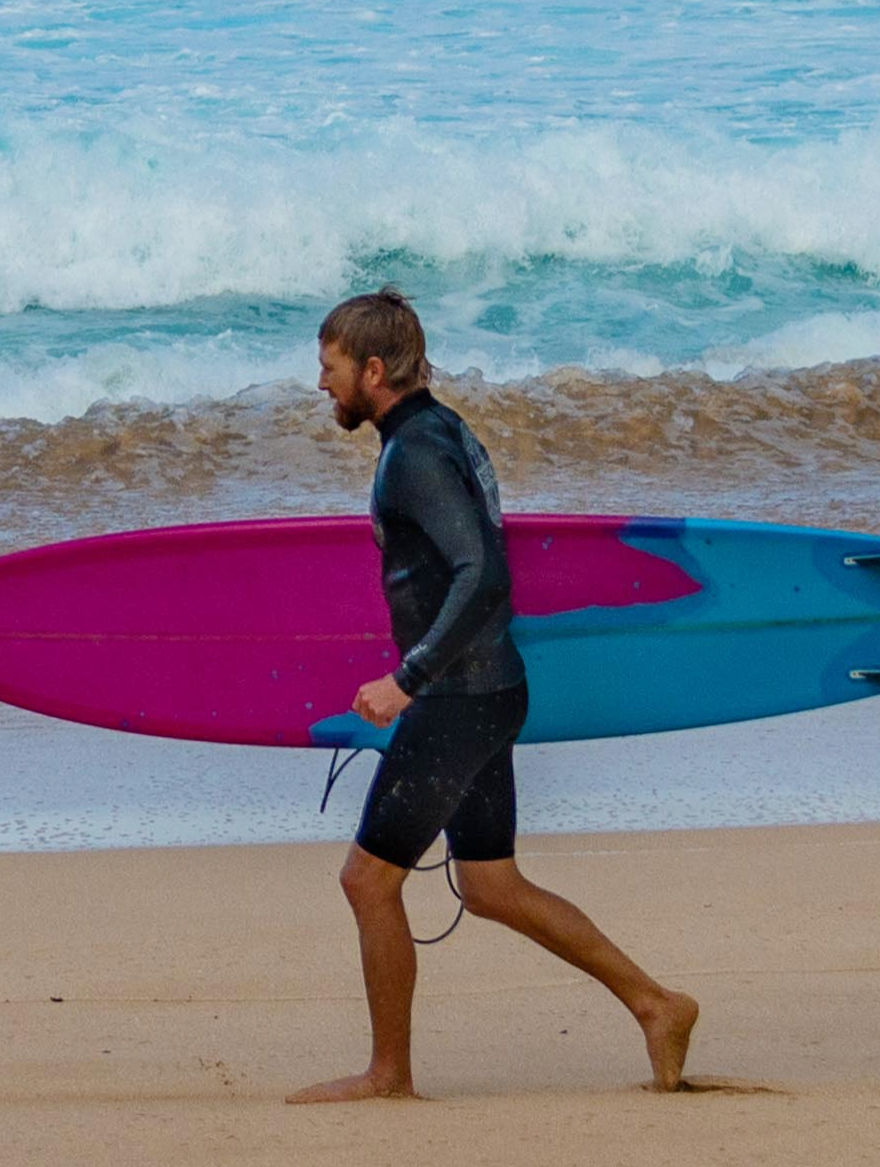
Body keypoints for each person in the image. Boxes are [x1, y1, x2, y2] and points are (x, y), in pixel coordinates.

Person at [289, 289, 698, 1103]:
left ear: (373, 369)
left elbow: (483, 573)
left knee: (367, 881)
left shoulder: (415, 454)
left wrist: (408, 680)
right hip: (486, 690)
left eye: (330, 369)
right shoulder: (443, 431)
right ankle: (658, 1003)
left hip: (456, 701)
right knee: (490, 887)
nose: (322, 384)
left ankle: (388, 1074)